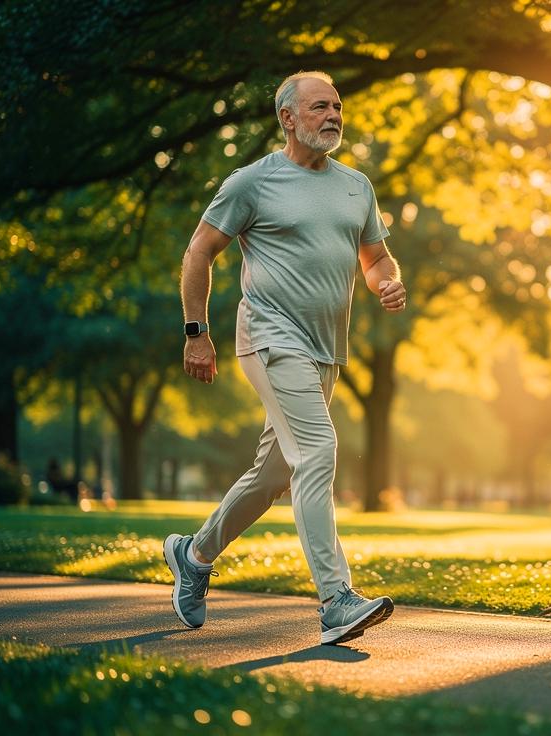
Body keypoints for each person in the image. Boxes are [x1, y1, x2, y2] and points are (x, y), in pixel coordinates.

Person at [165, 71, 406, 645]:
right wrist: (196, 332)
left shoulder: (357, 187)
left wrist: (386, 282)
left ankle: (193, 555)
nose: (333, 115)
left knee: (275, 471)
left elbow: (375, 259)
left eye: (338, 106)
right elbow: (200, 250)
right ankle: (335, 601)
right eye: (320, 106)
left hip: (327, 349)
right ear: (288, 119)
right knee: (319, 449)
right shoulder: (252, 182)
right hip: (270, 338)